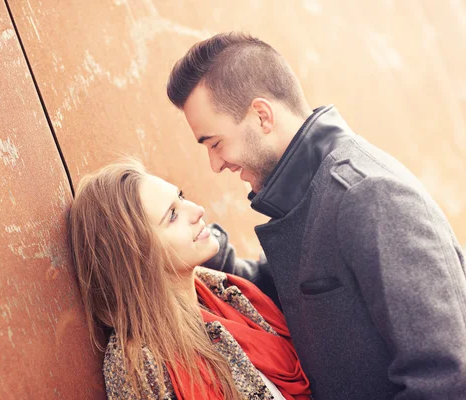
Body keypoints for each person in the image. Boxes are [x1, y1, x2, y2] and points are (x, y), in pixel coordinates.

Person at [166, 32, 466, 400]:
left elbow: (445, 378)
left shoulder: (368, 195)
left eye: (215, 143)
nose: (215, 164)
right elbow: (280, 291)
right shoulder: (309, 197)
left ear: (262, 116)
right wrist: (187, 242)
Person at [68, 160, 311, 400]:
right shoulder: (139, 364)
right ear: (137, 256)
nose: (197, 210)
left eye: (181, 197)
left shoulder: (229, 293)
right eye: (172, 215)